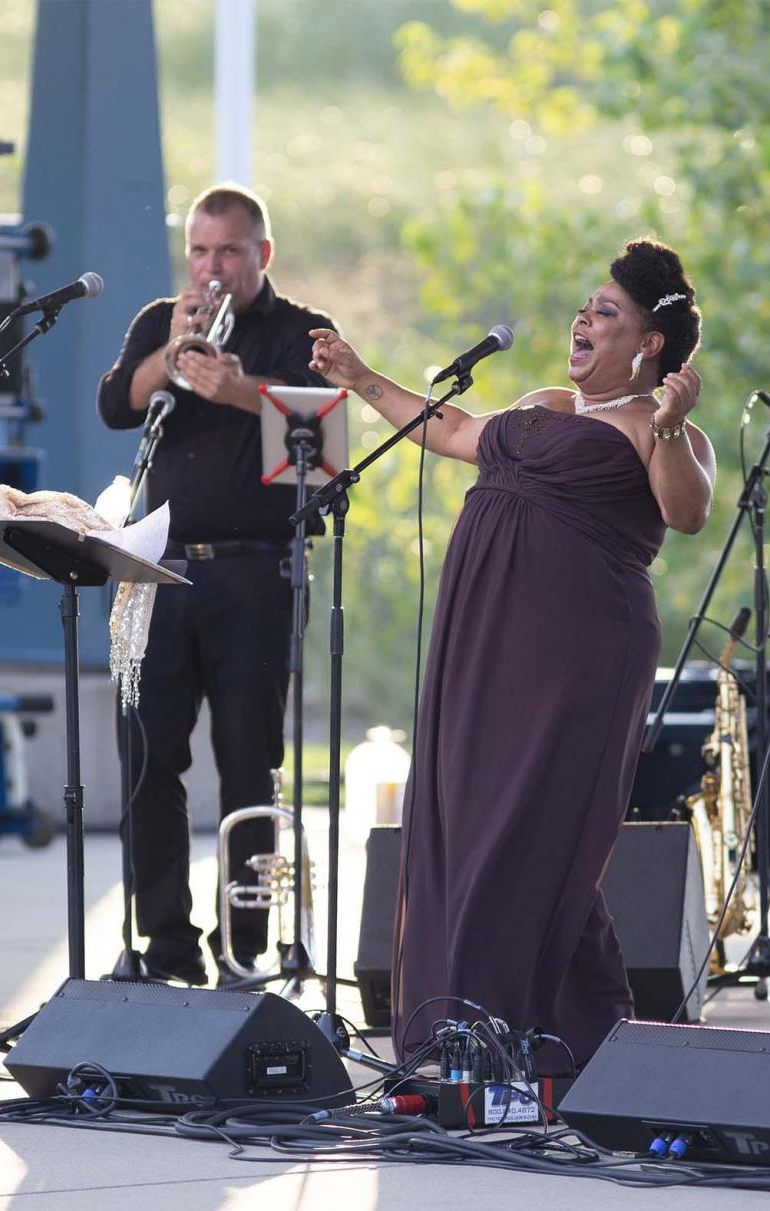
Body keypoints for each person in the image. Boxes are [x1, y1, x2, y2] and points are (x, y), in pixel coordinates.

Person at [309, 238, 713, 1072]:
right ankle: (543, 1039)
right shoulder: (544, 402)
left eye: (607, 313)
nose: (584, 318)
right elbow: (452, 430)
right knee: (467, 819)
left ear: (648, 345)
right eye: (587, 305)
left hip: (579, 651)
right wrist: (359, 374)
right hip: (483, 637)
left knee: (534, 829)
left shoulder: (660, 425)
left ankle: (518, 1033)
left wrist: (669, 430)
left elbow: (688, 512)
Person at [95, 185, 337, 986]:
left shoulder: (302, 332)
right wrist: (172, 353)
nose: (211, 267)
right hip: (157, 570)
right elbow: (113, 404)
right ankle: (166, 940)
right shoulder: (161, 319)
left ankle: (247, 946)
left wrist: (237, 388)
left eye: (228, 252)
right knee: (147, 762)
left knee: (247, 763)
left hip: (253, 571)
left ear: (261, 254)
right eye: (199, 251)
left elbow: (326, 440)